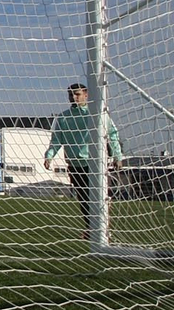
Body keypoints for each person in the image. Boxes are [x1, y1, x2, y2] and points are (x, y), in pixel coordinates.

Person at [43, 82, 123, 234]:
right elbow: (57, 139)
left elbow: (112, 133)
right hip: (74, 164)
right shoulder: (64, 117)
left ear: (86, 95)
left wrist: (117, 156)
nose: (73, 97)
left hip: (94, 163)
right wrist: (49, 156)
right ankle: (91, 228)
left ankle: (102, 229)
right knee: (84, 198)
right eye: (71, 95)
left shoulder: (97, 114)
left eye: (77, 94)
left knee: (97, 197)